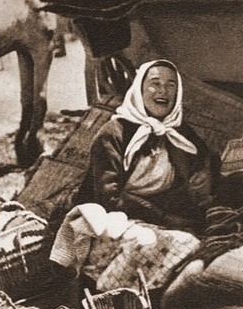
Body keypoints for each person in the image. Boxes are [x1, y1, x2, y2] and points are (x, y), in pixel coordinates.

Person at [74, 59, 220, 234]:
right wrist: (163, 218)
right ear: (139, 90)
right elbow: (109, 198)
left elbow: (205, 157)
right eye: (154, 84)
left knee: (238, 183)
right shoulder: (114, 133)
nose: (163, 91)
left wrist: (204, 175)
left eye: (170, 85)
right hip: (123, 211)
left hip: (169, 204)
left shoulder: (178, 130)